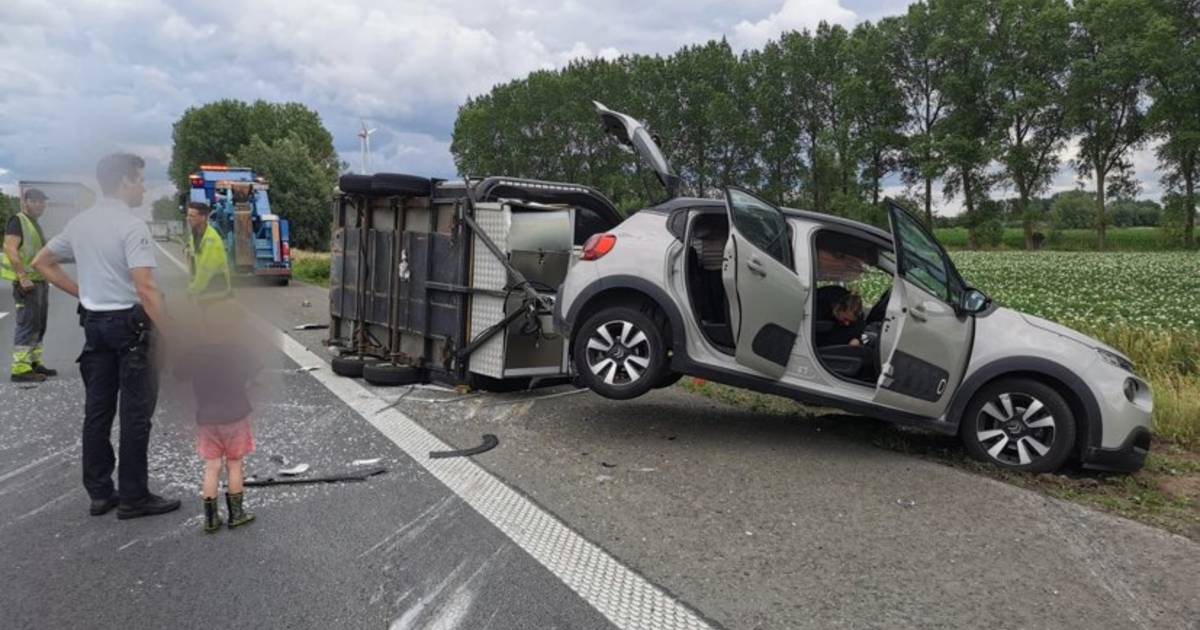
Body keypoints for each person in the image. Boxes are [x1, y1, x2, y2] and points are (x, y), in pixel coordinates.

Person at [31, 153, 181, 519]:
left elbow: (41, 262)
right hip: (131, 329)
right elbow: (146, 290)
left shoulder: (81, 224)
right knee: (135, 414)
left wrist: (82, 292)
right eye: (141, 180)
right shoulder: (132, 227)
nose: (144, 187)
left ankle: (100, 493)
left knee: (97, 411)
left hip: (94, 326)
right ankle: (134, 496)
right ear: (126, 181)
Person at [174, 300, 258, 533]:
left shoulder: (196, 353)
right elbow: (256, 371)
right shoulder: (239, 351)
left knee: (211, 466)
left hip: (207, 420)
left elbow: (178, 374)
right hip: (236, 417)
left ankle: (211, 519)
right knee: (234, 465)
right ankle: (237, 514)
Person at [2, 188, 55, 382]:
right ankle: (20, 369)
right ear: (25, 202)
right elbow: (10, 248)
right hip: (26, 283)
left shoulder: (34, 223)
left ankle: (33, 362)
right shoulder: (18, 221)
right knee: (27, 324)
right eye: (35, 201)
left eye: (42, 201)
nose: (40, 204)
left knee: (38, 324)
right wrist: (22, 276)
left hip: (39, 281)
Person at [183, 201, 231, 303]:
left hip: (215, 288)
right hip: (205, 288)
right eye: (188, 215)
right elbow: (195, 261)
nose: (188, 219)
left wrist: (193, 289)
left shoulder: (211, 239)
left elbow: (206, 270)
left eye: (192, 216)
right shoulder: (194, 235)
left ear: (203, 217)